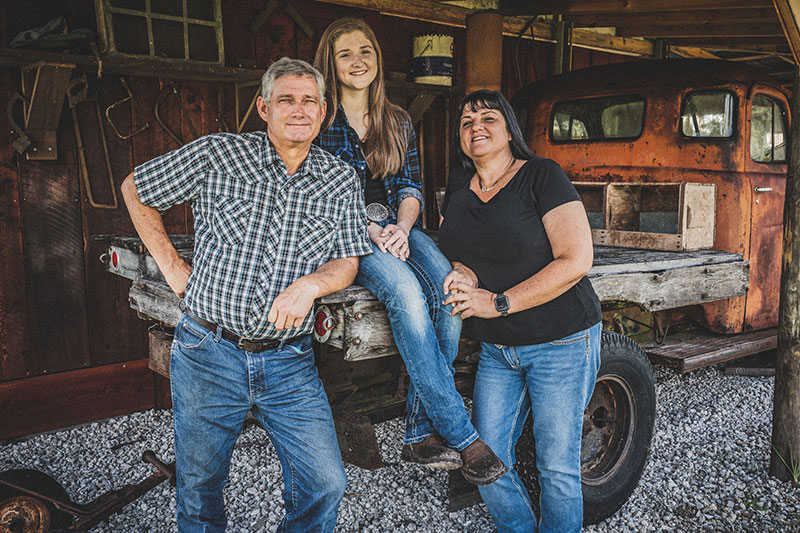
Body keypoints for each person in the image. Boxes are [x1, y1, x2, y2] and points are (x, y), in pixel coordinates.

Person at [120, 57, 373, 533]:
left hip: (289, 361)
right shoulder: (219, 154)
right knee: (199, 486)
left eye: (309, 101)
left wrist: (311, 284)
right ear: (263, 107)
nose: (298, 110)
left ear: (324, 111)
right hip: (208, 352)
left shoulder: (340, 180)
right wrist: (174, 268)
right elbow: (137, 188)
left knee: (325, 482)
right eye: (286, 100)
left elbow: (347, 261)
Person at [313, 17, 506, 485]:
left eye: (365, 51)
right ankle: (463, 435)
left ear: (378, 58)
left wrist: (400, 227)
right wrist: (372, 232)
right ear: (330, 63)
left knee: (451, 290)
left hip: (396, 224)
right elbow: (318, 194)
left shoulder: (396, 120)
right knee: (406, 294)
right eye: (345, 54)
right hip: (344, 234)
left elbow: (410, 186)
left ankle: (419, 430)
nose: (358, 61)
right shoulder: (319, 117)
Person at [438, 89, 603, 533]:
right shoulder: (459, 188)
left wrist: (498, 302)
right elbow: (462, 253)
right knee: (485, 460)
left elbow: (576, 259)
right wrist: (465, 274)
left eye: (488, 117)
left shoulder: (541, 176)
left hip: (562, 341)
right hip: (499, 349)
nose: (477, 126)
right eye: (467, 121)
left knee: (557, 465)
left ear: (509, 129)